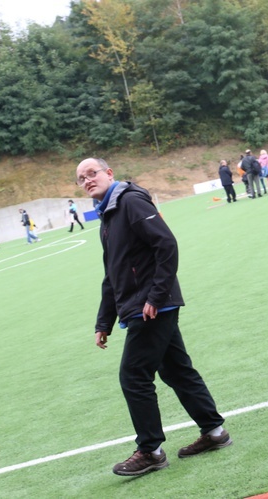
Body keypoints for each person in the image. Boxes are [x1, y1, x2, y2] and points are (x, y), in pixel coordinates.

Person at [75, 158, 231, 476]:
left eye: (92, 173)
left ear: (109, 173)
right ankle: (215, 433)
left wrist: (156, 296)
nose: (87, 180)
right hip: (141, 305)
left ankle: (150, 451)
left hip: (152, 306)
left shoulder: (129, 200)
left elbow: (166, 244)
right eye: (81, 178)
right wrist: (103, 321)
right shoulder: (108, 214)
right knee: (176, 370)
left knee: (133, 376)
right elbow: (113, 274)